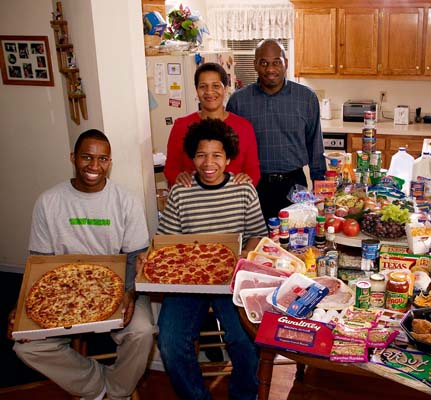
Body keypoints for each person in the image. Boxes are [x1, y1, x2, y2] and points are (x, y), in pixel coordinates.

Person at [11, 129, 157, 400]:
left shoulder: (126, 201)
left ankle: (118, 392)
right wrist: (21, 309)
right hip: (62, 292)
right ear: (73, 158)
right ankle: (97, 385)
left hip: (117, 286)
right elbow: (40, 263)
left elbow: (135, 258)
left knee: (142, 331)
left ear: (109, 162)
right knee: (25, 347)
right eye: (87, 157)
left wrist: (129, 293)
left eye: (102, 159)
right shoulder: (48, 201)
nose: (94, 166)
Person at [156, 118, 267, 400]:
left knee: (245, 340)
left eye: (217, 155)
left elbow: (257, 234)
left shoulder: (243, 190)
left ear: (228, 159)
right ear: (192, 158)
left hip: (231, 280)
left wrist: (245, 255)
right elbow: (166, 242)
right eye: (201, 155)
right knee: (170, 343)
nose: (208, 163)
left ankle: (244, 396)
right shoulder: (181, 191)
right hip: (188, 281)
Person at [226, 39, 327, 222]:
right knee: (256, 237)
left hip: (294, 186)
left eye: (276, 62)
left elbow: (315, 145)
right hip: (252, 186)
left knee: (297, 235)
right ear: (255, 65)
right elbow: (230, 150)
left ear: (285, 63)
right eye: (264, 63)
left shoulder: (306, 98)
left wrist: (320, 185)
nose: (270, 69)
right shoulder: (238, 101)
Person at [164, 62, 260, 188]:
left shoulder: (244, 127)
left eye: (216, 86)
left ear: (225, 89)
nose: (209, 92)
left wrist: (247, 179)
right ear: (196, 90)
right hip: (194, 196)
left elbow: (253, 170)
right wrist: (178, 177)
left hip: (234, 196)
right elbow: (171, 168)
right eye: (203, 86)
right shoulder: (181, 126)